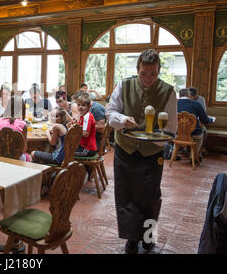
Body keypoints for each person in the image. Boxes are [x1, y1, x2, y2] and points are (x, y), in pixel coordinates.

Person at [106, 49, 177, 254]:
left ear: (158, 71)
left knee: (150, 197)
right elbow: (111, 112)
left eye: (153, 74)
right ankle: (131, 239)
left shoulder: (168, 91)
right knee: (126, 195)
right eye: (144, 73)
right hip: (125, 149)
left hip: (152, 153)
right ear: (138, 69)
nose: (148, 78)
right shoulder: (124, 85)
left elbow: (172, 128)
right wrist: (122, 120)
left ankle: (148, 238)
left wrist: (155, 139)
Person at [177, 88, 213, 158]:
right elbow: (205, 120)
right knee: (202, 132)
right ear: (189, 95)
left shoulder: (174, 103)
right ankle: (194, 154)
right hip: (194, 133)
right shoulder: (196, 104)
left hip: (178, 133)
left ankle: (179, 150)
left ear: (179, 96)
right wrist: (210, 119)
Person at [0, 96, 31, 161]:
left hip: (0, 156)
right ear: (21, 109)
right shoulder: (22, 124)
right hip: (17, 158)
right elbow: (24, 149)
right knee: (30, 156)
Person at [74, 93, 97, 158]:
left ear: (89, 106)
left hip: (88, 149)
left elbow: (85, 134)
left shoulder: (87, 117)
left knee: (66, 152)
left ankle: (78, 168)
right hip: (84, 146)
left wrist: (73, 132)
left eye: (83, 105)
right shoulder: (83, 115)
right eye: (78, 105)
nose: (80, 107)